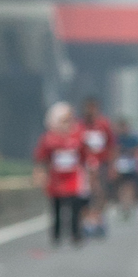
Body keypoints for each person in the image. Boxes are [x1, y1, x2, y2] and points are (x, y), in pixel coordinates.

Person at [32, 102, 88, 245]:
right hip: (56, 179)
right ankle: (56, 235)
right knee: (56, 209)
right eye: (63, 120)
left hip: (73, 178)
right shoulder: (49, 138)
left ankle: (76, 234)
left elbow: (84, 155)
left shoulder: (79, 135)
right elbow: (41, 158)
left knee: (75, 208)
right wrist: (40, 174)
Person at [79, 97, 115, 237]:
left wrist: (112, 166)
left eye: (93, 108)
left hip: (101, 165)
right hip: (84, 166)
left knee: (100, 192)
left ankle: (99, 219)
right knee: (84, 194)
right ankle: (87, 221)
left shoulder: (104, 125)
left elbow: (112, 146)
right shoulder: (80, 126)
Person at [113, 118, 138, 217]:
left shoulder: (133, 139)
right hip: (119, 166)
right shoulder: (116, 139)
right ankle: (123, 205)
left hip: (131, 166)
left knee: (130, 186)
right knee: (121, 187)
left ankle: (128, 205)